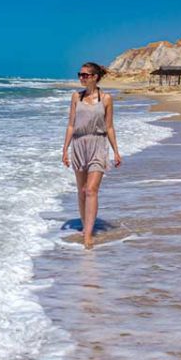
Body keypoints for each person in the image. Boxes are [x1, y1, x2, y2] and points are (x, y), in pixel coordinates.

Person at [62, 62, 123, 249]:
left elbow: (110, 126)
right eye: (79, 74)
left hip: (98, 144)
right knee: (81, 191)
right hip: (79, 144)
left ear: (95, 77)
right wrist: (64, 150)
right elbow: (71, 125)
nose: (81, 78)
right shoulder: (76, 97)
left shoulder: (106, 99)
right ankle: (85, 224)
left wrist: (116, 151)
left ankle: (88, 234)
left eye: (85, 75)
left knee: (91, 190)